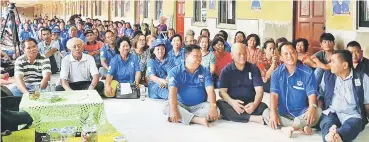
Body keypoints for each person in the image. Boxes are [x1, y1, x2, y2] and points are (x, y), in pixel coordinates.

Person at [262, 42, 322, 137]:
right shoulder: (276, 73)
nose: (289, 56)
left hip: (302, 113)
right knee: (266, 113)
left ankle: (290, 127)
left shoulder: (307, 72)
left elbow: (312, 95)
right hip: (283, 112)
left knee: (318, 112)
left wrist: (312, 107)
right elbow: (274, 95)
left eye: (292, 52)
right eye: (286, 54)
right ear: (281, 57)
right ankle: (301, 126)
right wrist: (273, 112)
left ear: (296, 54)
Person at [318, 50, 369, 142]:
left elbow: (367, 103)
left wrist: (365, 117)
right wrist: (319, 109)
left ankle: (338, 136)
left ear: (345, 65)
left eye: (333, 62)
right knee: (326, 122)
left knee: (354, 124)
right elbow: (321, 93)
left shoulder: (362, 78)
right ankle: (329, 136)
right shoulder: (328, 75)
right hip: (332, 111)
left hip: (352, 114)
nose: (329, 64)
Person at [163, 44, 219, 127]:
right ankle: (196, 119)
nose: (199, 58)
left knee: (216, 110)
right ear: (186, 56)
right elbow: (172, 92)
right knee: (167, 106)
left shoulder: (205, 71)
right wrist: (174, 110)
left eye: (200, 56)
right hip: (181, 104)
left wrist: (213, 106)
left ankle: (184, 117)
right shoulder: (175, 71)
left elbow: (210, 90)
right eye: (196, 56)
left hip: (199, 106)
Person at [217, 43, 267, 124]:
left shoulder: (253, 68)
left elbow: (259, 91)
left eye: (244, 53)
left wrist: (254, 104)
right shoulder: (226, 70)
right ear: (232, 55)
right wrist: (232, 102)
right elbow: (222, 92)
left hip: (250, 103)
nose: (243, 56)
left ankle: (237, 116)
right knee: (220, 105)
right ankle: (251, 118)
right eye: (239, 54)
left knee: (263, 107)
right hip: (233, 103)